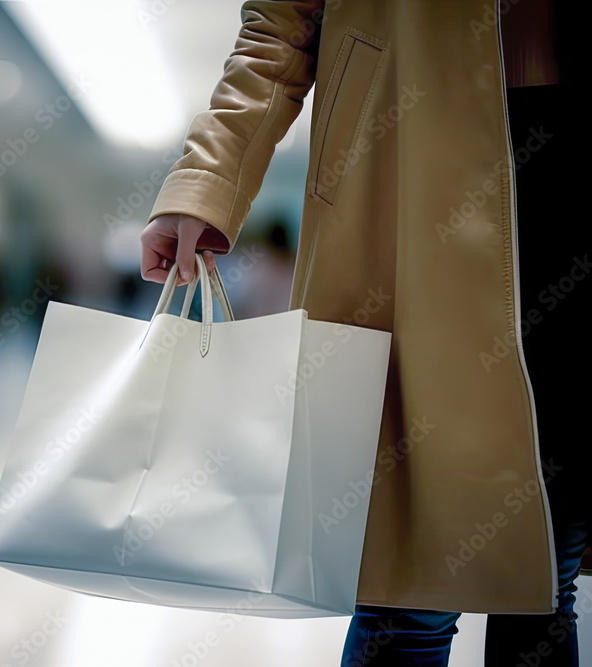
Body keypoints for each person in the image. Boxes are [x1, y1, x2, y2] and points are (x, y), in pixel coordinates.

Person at [140, 1, 585, 664]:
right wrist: (208, 178)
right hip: (405, 174)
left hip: (568, 174)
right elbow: (278, 26)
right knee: (403, 583)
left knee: (546, 581)